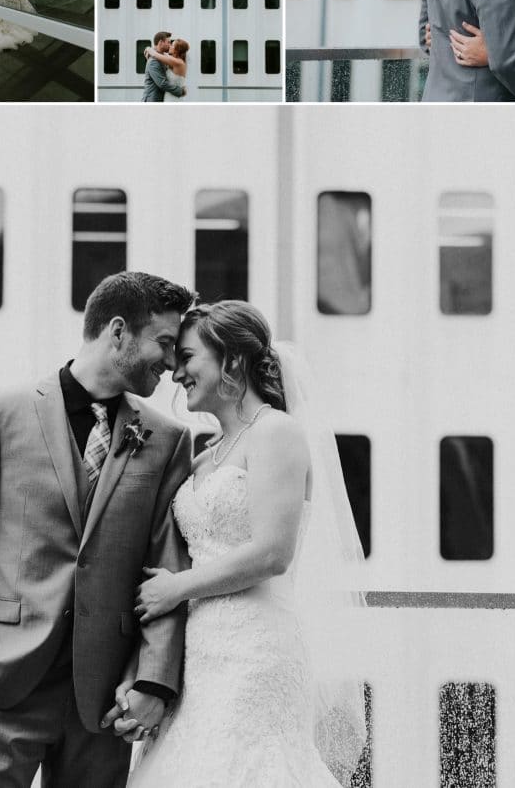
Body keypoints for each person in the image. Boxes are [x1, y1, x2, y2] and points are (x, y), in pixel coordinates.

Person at [0, 271, 196, 788]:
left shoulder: (167, 439)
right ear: (118, 331)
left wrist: (153, 681)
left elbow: (167, 568)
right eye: (163, 343)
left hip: (104, 701)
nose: (170, 362)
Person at [113, 301, 368, 787]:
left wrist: (177, 588)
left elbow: (273, 552)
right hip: (201, 653)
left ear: (231, 359)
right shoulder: (205, 454)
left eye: (188, 358)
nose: (176, 373)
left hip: (255, 650)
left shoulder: (277, 432)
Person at [141, 32, 188, 101]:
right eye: (168, 42)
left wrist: (149, 49)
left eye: (171, 44)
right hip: (153, 100)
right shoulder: (153, 61)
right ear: (161, 42)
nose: (169, 45)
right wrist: (180, 91)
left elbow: (156, 54)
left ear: (177, 50)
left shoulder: (170, 60)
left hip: (165, 99)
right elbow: (162, 83)